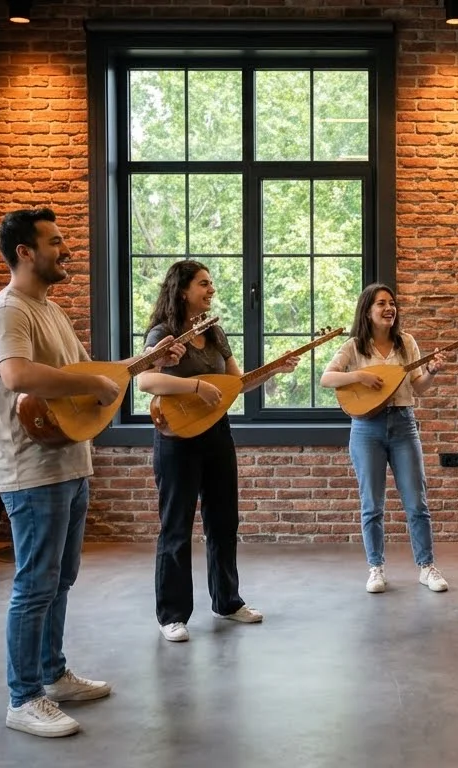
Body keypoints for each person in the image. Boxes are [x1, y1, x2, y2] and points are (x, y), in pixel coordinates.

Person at [0, 208, 180, 737]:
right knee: (35, 584)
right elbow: (17, 374)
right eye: (55, 241)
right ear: (25, 251)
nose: (65, 249)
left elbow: (95, 377)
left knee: (60, 579)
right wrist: (90, 385)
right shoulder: (9, 312)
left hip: (68, 461)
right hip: (32, 469)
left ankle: (53, 674)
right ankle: (22, 698)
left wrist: (148, 359)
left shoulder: (51, 310)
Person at [134, 260, 298, 643]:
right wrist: (193, 388)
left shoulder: (216, 333)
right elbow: (143, 380)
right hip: (176, 438)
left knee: (224, 521)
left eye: (211, 284)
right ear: (182, 290)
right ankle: (172, 615)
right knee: (176, 527)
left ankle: (227, 601)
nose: (210, 290)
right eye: (203, 284)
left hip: (217, 434)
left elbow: (234, 385)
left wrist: (272, 371)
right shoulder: (164, 332)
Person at [320, 283, 450, 594]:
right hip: (366, 428)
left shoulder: (406, 343)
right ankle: (375, 568)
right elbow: (327, 377)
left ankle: (426, 567)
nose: (389, 308)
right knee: (372, 505)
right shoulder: (354, 347)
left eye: (391, 303)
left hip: (404, 424)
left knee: (416, 502)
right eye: (381, 303)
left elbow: (419, 388)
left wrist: (431, 371)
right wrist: (358, 376)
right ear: (367, 310)